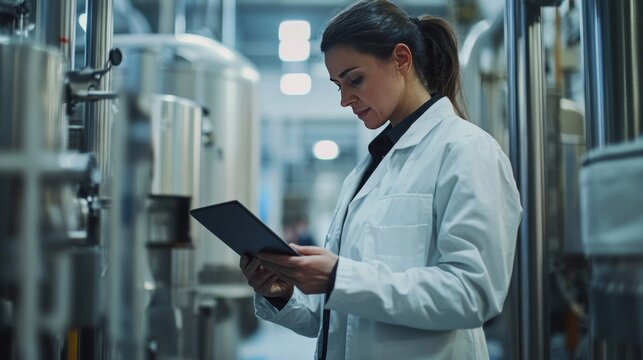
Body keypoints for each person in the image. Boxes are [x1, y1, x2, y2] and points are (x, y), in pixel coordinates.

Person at [239, 1, 522, 359]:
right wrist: (280, 292)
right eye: (337, 85)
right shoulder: (367, 170)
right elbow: (328, 319)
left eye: (354, 79)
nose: (344, 100)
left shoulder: (466, 150)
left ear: (401, 60)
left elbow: (472, 294)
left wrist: (339, 277)